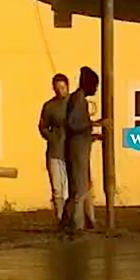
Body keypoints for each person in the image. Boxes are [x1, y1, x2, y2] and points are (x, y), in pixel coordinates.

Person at [62, 66, 100, 234]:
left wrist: (94, 135)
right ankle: (76, 227)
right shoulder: (78, 100)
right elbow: (73, 124)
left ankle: (88, 222)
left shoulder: (79, 99)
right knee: (80, 189)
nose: (96, 89)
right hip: (77, 152)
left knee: (84, 187)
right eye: (95, 85)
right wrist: (94, 124)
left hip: (81, 149)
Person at [38, 73, 71, 223]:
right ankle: (59, 217)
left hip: (72, 151)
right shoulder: (49, 106)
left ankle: (73, 217)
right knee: (57, 187)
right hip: (55, 151)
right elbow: (43, 127)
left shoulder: (75, 104)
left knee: (71, 187)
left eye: (63, 88)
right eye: (57, 88)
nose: (60, 91)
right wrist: (52, 138)